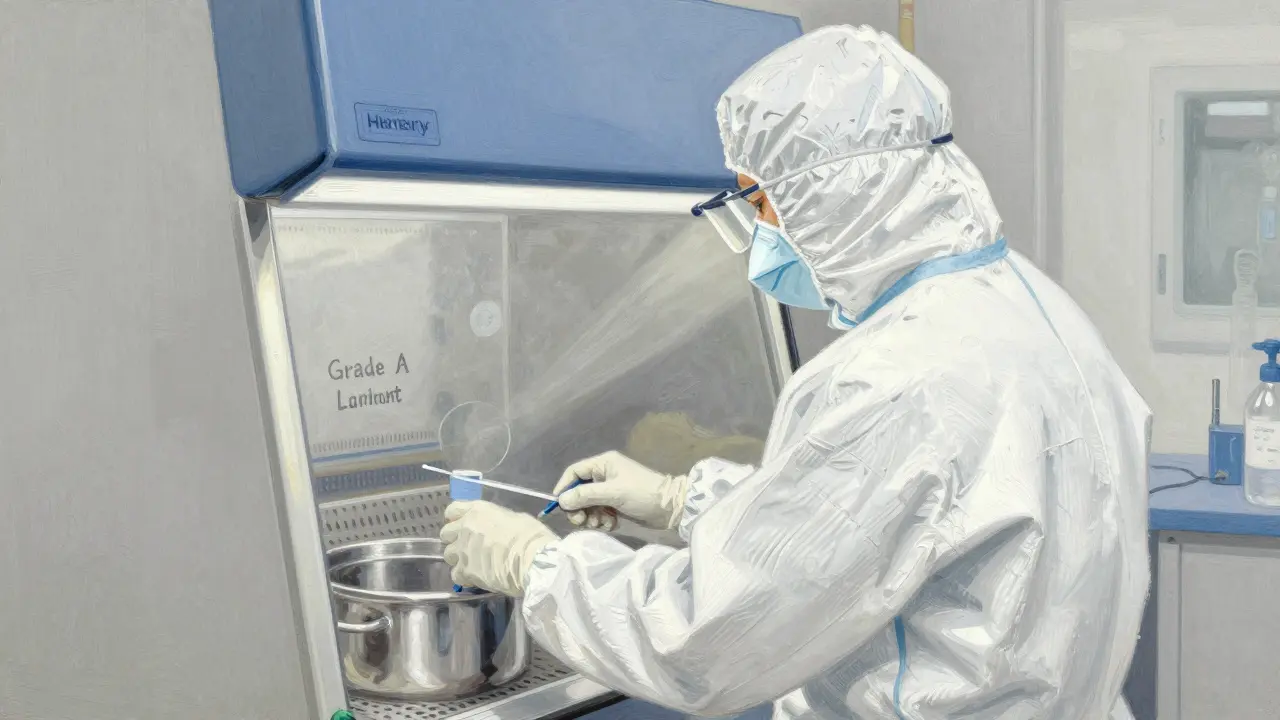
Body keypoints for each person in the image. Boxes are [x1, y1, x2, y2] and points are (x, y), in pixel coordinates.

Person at [440, 25, 1149, 720]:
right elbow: (880, 524)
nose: (757, 229)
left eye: (757, 201)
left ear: (839, 193)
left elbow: (707, 640)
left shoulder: (896, 378)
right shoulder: (1028, 308)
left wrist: (534, 567)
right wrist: (680, 499)